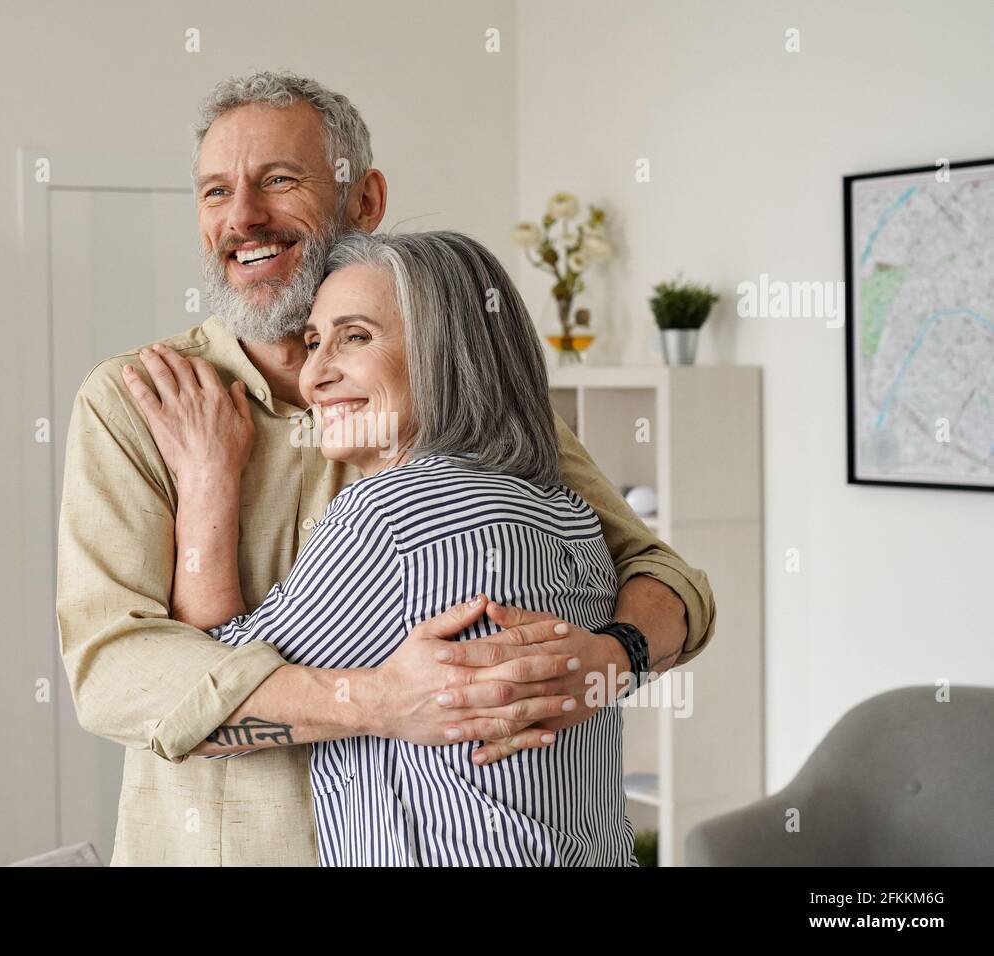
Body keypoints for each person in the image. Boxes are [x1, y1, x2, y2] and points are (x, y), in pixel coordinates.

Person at [56, 70, 716, 866]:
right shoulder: (135, 403)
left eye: (278, 180)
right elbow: (115, 673)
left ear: (364, 200)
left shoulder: (466, 407)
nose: (242, 218)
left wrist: (612, 660)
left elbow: (664, 577)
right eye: (213, 192)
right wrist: (377, 701)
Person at [127, 230, 638, 865]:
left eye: (357, 337)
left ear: (444, 356)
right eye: (314, 341)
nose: (315, 375)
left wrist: (208, 476)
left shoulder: (393, 515)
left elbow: (209, 698)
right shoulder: (572, 515)